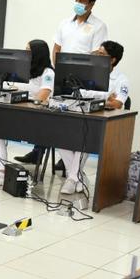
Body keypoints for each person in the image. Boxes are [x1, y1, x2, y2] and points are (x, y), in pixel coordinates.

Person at [17, 0, 107, 166]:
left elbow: (96, 54)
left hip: (83, 81)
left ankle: (66, 159)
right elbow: (56, 48)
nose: (78, 3)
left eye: (82, 1)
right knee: (50, 117)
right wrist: (59, 71)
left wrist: (83, 75)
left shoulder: (98, 26)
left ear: (91, 4)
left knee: (74, 121)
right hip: (62, 77)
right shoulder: (65, 23)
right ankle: (37, 152)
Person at [0, 39, 55, 186]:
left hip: (35, 118)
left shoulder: (48, 72)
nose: (25, 53)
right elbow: (15, 87)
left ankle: (1, 173)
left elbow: (42, 96)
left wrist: (22, 96)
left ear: (38, 54)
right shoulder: (25, 70)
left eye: (29, 51)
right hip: (18, 112)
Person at [56, 40, 130, 195]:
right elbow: (78, 95)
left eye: (101, 54)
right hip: (80, 115)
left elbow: (117, 104)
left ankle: (72, 179)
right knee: (58, 138)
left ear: (112, 59)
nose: (96, 56)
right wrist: (105, 98)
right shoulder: (88, 73)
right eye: (97, 53)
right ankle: (77, 177)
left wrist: (103, 100)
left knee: (83, 139)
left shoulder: (121, 79)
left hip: (101, 122)